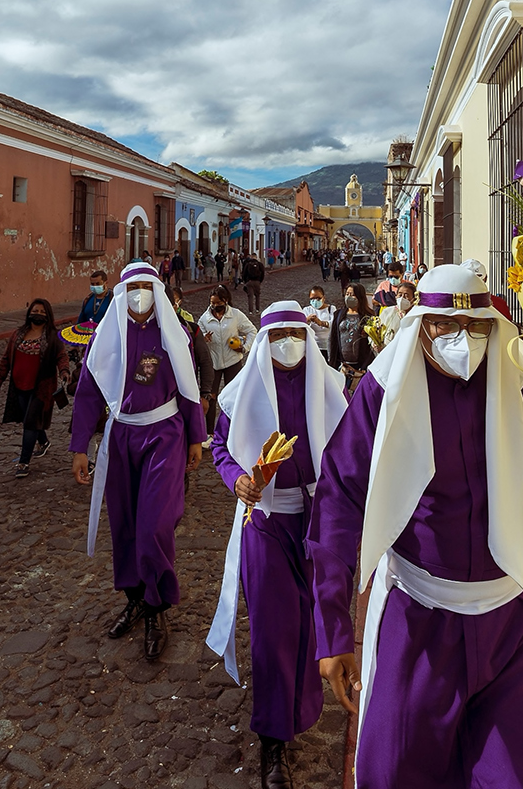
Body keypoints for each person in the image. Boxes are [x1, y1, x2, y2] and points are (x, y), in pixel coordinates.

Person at [309, 265, 523, 788]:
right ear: (421, 326)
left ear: (490, 324)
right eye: (445, 327)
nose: (463, 340)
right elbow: (340, 500)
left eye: (475, 326)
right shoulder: (382, 393)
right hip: (421, 621)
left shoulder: (514, 387)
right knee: (397, 773)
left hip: (513, 620)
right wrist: (332, 630)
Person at [207, 301, 350, 788]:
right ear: (263, 340)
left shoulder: (331, 388)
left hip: (316, 524)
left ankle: (299, 711)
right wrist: (237, 481)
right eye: (278, 334)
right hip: (265, 523)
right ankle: (272, 740)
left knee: (311, 625)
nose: (287, 342)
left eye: (295, 332)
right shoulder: (240, 391)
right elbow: (221, 448)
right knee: (271, 630)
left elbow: (351, 450)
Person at [70, 262, 206, 661]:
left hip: (164, 434)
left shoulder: (173, 333)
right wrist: (81, 446)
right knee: (125, 525)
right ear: (122, 291)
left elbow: (189, 386)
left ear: (158, 290)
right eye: (133, 286)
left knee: (155, 524)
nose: (139, 293)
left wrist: (197, 436)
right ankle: (136, 598)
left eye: (147, 286)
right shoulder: (107, 334)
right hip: (121, 435)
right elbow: (88, 391)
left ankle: (158, 606)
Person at [0, 299, 70, 478]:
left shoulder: (52, 337)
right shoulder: (18, 334)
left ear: (48, 315)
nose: (38, 314)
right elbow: (6, 359)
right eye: (36, 311)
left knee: (30, 422)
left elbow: (61, 356)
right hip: (19, 386)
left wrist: (64, 371)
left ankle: (23, 462)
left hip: (42, 388)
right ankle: (43, 442)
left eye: (43, 312)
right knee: (31, 419)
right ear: (29, 313)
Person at [198, 285, 257, 436]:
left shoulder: (235, 315)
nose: (215, 306)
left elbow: (252, 331)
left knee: (234, 396)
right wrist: (204, 339)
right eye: (212, 303)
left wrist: (244, 348)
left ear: (226, 301)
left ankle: (234, 430)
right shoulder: (204, 319)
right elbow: (198, 340)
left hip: (233, 362)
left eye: (218, 303)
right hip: (214, 363)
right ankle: (209, 432)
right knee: (210, 398)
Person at [171, 286, 217, 428]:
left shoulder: (192, 329)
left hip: (187, 394)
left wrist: (205, 394)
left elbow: (205, 362)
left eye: (172, 303)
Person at [327, 283, 374, 392]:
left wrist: (365, 366)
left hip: (360, 367)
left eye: (352, 295)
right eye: (347, 294)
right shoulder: (338, 315)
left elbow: (372, 344)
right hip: (342, 365)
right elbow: (332, 339)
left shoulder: (368, 316)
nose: (348, 297)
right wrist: (332, 362)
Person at [375, 280, 416, 350]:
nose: (402, 298)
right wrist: (375, 344)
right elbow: (376, 330)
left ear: (414, 298)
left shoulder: (415, 316)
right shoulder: (387, 312)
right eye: (400, 295)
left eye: (406, 296)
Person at [303, 286, 336, 362]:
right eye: (312, 299)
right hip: (313, 346)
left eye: (318, 298)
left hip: (328, 346)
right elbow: (301, 325)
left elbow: (333, 324)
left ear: (323, 298)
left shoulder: (331, 309)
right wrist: (307, 320)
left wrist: (321, 323)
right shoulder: (307, 310)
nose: (315, 301)